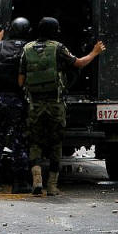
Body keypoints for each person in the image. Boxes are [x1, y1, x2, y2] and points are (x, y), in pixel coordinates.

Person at [18, 17, 105, 196]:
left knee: (34, 142)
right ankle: (51, 186)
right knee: (56, 143)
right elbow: (79, 63)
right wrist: (95, 52)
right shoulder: (58, 48)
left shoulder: (26, 50)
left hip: (34, 105)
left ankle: (36, 180)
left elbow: (21, 81)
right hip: (55, 105)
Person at [0, 17, 32, 194]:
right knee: (19, 140)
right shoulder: (29, 48)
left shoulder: (0, 46)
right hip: (19, 100)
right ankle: (19, 182)